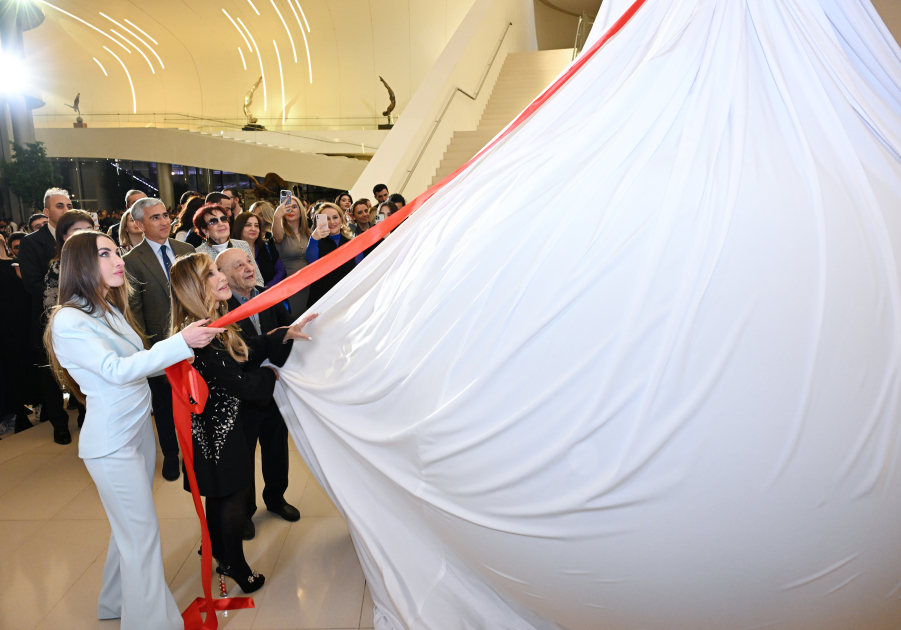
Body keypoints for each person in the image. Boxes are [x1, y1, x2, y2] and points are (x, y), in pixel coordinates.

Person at [46, 231, 221, 630]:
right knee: (141, 537)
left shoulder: (105, 309)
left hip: (135, 433)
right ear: (82, 265)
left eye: (116, 251)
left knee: (128, 530)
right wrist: (179, 342)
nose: (118, 259)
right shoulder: (68, 320)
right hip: (112, 445)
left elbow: (140, 361)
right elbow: (116, 371)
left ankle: (114, 601)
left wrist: (185, 349)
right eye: (105, 253)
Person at [169, 252, 315, 592]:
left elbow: (245, 349)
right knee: (233, 497)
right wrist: (271, 376)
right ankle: (235, 563)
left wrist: (281, 334)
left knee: (221, 495)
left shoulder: (208, 324)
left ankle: (220, 549)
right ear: (194, 287)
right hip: (221, 430)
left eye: (219, 270)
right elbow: (241, 382)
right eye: (211, 274)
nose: (221, 278)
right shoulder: (203, 333)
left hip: (215, 427)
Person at [218, 248, 301, 537]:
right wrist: (272, 341)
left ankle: (276, 498)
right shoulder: (221, 308)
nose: (248, 267)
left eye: (249, 261)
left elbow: (286, 330)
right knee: (245, 456)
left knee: (277, 449)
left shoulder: (268, 294)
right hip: (244, 394)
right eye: (238, 265)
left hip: (275, 388)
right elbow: (239, 351)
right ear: (225, 277)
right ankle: (246, 511)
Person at [123, 197, 196, 480]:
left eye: (166, 215)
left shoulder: (186, 249)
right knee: (164, 404)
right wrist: (148, 350)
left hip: (193, 339)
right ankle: (170, 454)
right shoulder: (132, 261)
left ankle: (196, 450)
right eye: (155, 218)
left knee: (195, 396)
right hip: (159, 345)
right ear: (139, 225)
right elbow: (135, 312)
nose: (165, 221)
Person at [18, 188, 76, 443]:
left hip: (81, 314)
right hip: (47, 316)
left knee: (80, 365)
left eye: (69, 205)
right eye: (60, 206)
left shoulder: (79, 237)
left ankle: (85, 414)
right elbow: (31, 283)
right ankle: (59, 424)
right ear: (46, 211)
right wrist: (69, 294)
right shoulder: (31, 242)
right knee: (50, 372)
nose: (66, 210)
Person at [0, 232, 39, 433]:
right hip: (6, 328)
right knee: (12, 369)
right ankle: (17, 414)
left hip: (27, 321)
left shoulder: (17, 262)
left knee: (32, 363)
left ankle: (39, 404)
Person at [306, 202, 362, 307]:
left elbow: (360, 271)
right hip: (321, 300)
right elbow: (311, 262)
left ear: (341, 219)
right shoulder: (316, 242)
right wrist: (313, 239)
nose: (332, 222)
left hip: (347, 300)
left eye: (335, 217)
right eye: (327, 218)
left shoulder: (353, 244)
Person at [193, 203, 264, 286]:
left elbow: (258, 280)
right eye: (213, 221)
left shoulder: (243, 245)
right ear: (204, 230)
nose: (221, 224)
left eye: (223, 219)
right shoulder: (199, 255)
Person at [272, 194, 312, 315]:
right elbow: (277, 237)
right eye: (287, 207)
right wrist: (277, 216)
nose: (291, 210)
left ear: (301, 210)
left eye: (295, 207)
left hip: (310, 284)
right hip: (290, 286)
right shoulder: (281, 232)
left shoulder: (309, 233)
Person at [232, 211, 285, 287]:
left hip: (269, 294)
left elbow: (281, 271)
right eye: (248, 225)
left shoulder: (267, 247)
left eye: (256, 226)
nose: (253, 229)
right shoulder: (230, 250)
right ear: (239, 228)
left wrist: (267, 288)